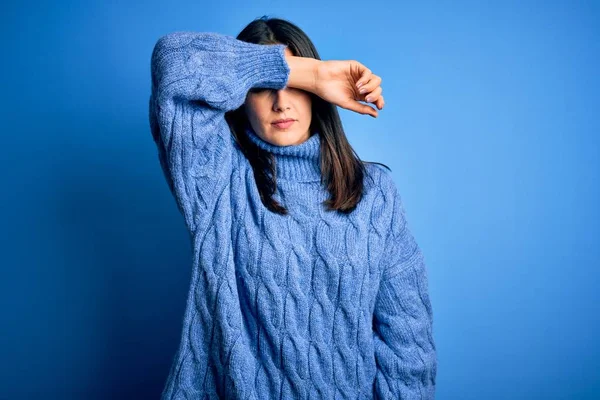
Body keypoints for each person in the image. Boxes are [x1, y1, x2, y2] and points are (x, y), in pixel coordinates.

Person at [149, 16, 437, 400]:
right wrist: (311, 73)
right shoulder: (216, 178)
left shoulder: (375, 192)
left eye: (295, 87)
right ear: (240, 98)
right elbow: (174, 64)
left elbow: (408, 341)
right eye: (264, 86)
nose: (282, 101)